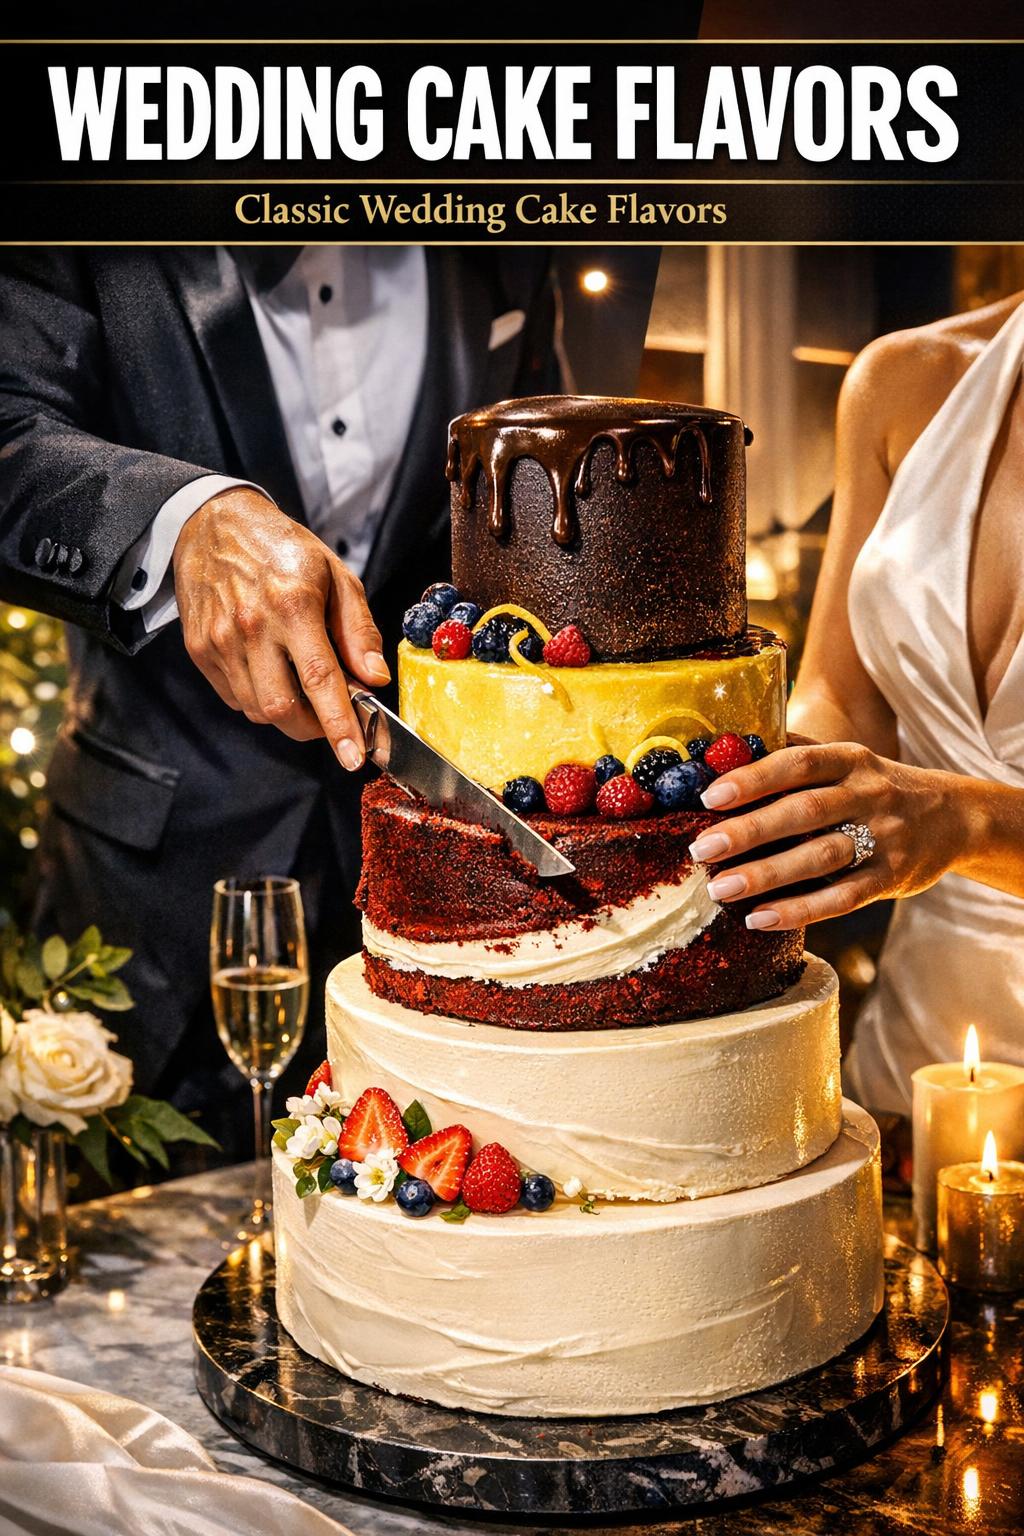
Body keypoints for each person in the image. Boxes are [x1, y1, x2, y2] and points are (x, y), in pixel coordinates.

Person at [0, 246, 563, 1156]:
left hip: (399, 908)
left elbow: (515, 521)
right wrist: (182, 519)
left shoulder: (492, 233)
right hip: (150, 908)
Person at [686, 293, 1024, 1111]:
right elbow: (843, 695)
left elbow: (933, 810)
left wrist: (966, 820)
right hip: (922, 1064)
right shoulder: (907, 378)